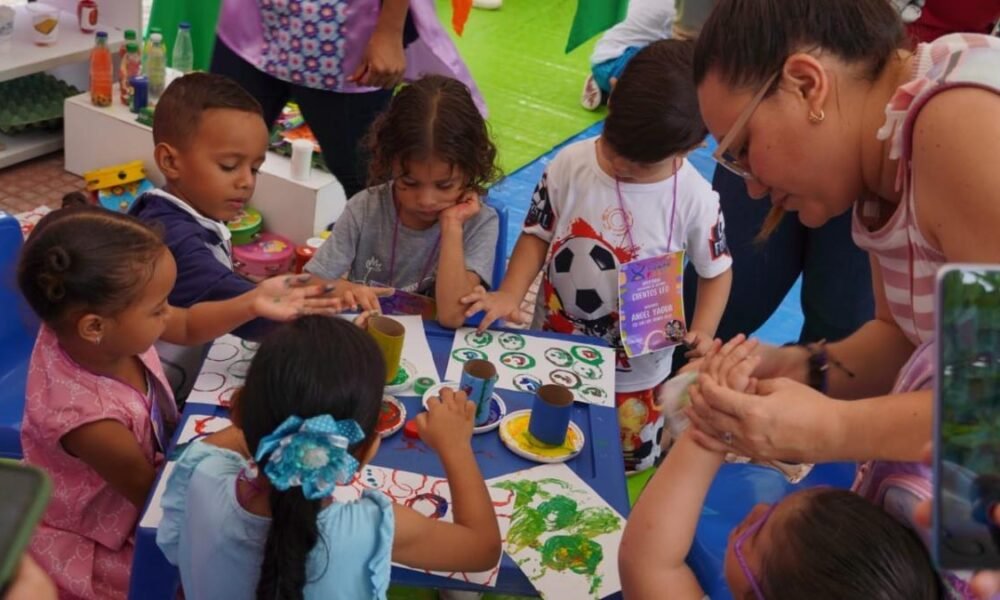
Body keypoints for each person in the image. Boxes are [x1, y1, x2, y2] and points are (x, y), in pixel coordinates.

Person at [680, 0, 1000, 566]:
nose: (751, 188)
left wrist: (830, 429)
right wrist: (795, 366)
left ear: (807, 85)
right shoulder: (883, 161)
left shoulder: (958, 123)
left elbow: (988, 408)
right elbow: (901, 338)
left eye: (742, 150)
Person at [16, 206, 341, 599]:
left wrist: (252, 302)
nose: (167, 313)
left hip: (153, 464)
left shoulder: (99, 329)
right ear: (95, 326)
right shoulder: (91, 423)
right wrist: (237, 436)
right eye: (159, 308)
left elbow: (186, 324)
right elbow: (157, 500)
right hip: (106, 530)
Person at [463, 40, 733, 472]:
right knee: (537, 447)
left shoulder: (696, 200)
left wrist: (703, 331)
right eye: (613, 143)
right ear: (614, 93)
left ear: (695, 145)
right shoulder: (570, 165)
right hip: (553, 350)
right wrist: (510, 293)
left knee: (619, 468)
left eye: (640, 164)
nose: (621, 164)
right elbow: (536, 234)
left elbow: (716, 272)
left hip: (636, 377)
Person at [156, 316, 502, 599]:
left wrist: (272, 418)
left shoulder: (201, 473)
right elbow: (483, 550)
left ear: (238, 411)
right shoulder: (367, 528)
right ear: (367, 448)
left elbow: (218, 445)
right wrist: (456, 445)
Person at [210, 0, 485, 199]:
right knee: (217, 150)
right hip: (254, 20)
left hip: (345, 35)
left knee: (366, 180)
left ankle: (376, 258)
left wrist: (390, 29)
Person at [305, 75, 500, 329]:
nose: (426, 200)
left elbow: (452, 316)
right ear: (390, 162)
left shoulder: (479, 222)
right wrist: (347, 289)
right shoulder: (365, 207)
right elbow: (311, 283)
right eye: (409, 182)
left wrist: (452, 225)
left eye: (444, 186)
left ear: (471, 169)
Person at [129, 72, 273, 400]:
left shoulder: (176, 208)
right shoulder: (173, 240)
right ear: (169, 161)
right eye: (229, 166)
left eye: (254, 168)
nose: (247, 182)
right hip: (156, 399)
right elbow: (254, 313)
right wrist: (327, 314)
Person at [580, 0, 676, 110]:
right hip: (619, 63)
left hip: (607, 62)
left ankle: (609, 90)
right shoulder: (681, 8)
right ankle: (622, 96)